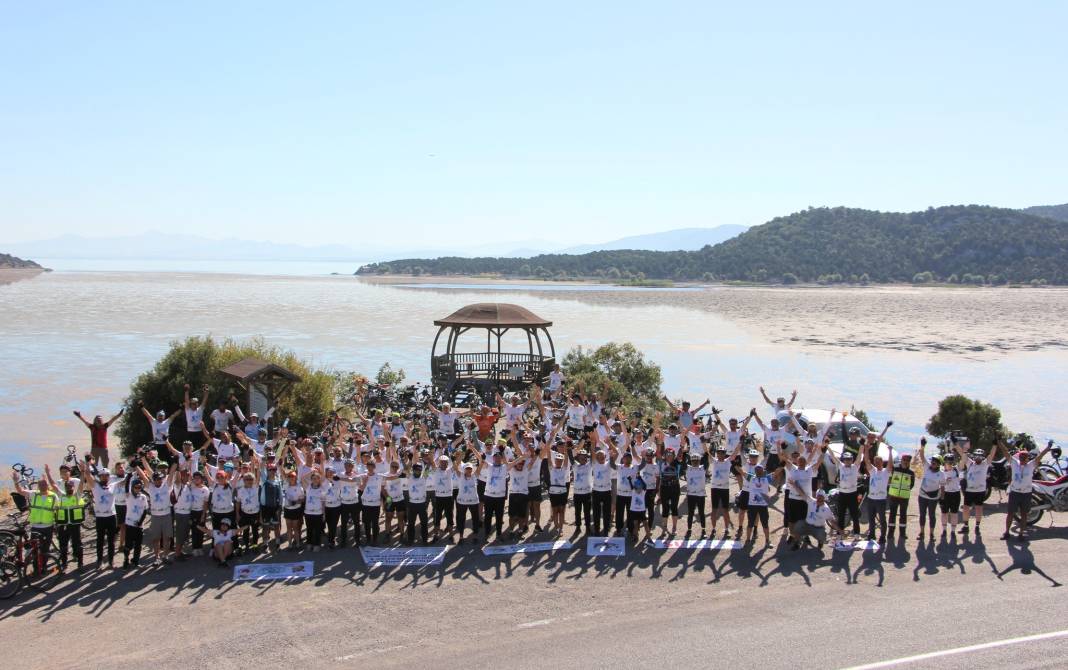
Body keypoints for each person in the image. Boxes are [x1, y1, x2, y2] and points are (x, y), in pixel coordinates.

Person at [1003, 441, 1053, 543]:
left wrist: (1048, 448)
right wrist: (999, 442)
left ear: (1027, 459)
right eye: (1020, 459)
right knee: (1010, 513)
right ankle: (1007, 532)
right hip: (1015, 492)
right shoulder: (1014, 463)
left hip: (1026, 493)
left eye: (1024, 459)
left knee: (1024, 514)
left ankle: (1021, 534)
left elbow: (1040, 456)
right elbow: (1006, 453)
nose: (1022, 461)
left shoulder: (1031, 465)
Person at [955, 438, 1000, 536]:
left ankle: (977, 526)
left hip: (980, 490)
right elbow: (961, 453)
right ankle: (966, 526)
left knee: (979, 508)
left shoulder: (985, 464)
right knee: (966, 508)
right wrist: (955, 443)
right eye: (976, 456)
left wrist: (995, 445)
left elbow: (991, 455)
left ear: (983, 457)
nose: (978, 458)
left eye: (980, 457)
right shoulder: (970, 463)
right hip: (969, 490)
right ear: (974, 456)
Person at [44, 464, 84, 571]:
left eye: (71, 486)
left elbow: (81, 486)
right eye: (67, 487)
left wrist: (83, 472)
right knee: (63, 545)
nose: (69, 488)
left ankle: (80, 563)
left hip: (74, 524)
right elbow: (53, 485)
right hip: (63, 524)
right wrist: (48, 473)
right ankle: (64, 564)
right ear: (65, 488)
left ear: (73, 487)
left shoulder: (77, 495)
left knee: (77, 544)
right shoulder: (61, 495)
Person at [86, 459, 121, 568]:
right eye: (102, 476)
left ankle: (111, 561)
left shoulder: (113, 485)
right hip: (100, 517)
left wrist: (133, 471)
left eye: (107, 476)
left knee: (111, 541)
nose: (105, 477)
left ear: (109, 477)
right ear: (100, 477)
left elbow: (125, 480)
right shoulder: (95, 486)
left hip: (111, 516)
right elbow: (87, 475)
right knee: (100, 540)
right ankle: (99, 561)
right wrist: (87, 463)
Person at [141, 459, 177, 565]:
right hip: (156, 515)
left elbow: (171, 474)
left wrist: (176, 461)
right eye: (156, 479)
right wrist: (142, 460)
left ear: (162, 479)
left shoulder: (167, 486)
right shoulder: (150, 487)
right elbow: (144, 475)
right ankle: (157, 557)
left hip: (166, 514)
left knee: (167, 537)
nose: (158, 481)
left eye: (160, 479)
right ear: (153, 480)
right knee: (156, 538)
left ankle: (165, 556)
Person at [788, 486, 839, 551]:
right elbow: (802, 493)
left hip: (818, 528)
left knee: (822, 536)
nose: (819, 499)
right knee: (798, 526)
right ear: (816, 497)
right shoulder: (811, 501)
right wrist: (794, 484)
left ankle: (820, 542)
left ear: (824, 498)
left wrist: (840, 531)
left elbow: (832, 521)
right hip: (807, 525)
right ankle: (797, 543)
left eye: (821, 497)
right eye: (818, 497)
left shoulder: (826, 509)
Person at [825, 447, 862, 538]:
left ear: (852, 460)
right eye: (846, 459)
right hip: (842, 494)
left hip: (852, 494)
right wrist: (828, 446)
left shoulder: (855, 467)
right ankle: (840, 533)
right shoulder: (840, 466)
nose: (847, 461)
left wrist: (861, 446)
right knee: (841, 514)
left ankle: (857, 533)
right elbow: (833, 456)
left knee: (854, 514)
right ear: (843, 460)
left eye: (849, 459)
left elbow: (859, 456)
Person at [861, 441, 892, 544]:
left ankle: (883, 536)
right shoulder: (872, 470)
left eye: (879, 461)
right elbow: (866, 460)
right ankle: (872, 535)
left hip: (881, 500)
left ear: (882, 463)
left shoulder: (885, 472)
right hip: (871, 499)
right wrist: (866, 449)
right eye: (876, 461)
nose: (877, 463)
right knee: (871, 518)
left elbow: (890, 465)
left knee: (882, 519)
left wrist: (890, 451)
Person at [915, 441, 944, 543]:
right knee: (922, 514)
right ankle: (921, 532)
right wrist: (923, 446)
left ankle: (931, 534)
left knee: (932, 515)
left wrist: (942, 498)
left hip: (933, 497)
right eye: (932, 461)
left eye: (935, 462)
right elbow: (922, 456)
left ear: (939, 464)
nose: (932, 463)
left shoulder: (941, 474)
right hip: (922, 495)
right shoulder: (927, 467)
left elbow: (942, 486)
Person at [710, 443, 739, 538]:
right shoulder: (714, 461)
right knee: (714, 510)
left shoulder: (728, 461)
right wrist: (703, 442)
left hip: (725, 489)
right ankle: (713, 529)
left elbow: (735, 453)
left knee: (725, 511)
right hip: (715, 488)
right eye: (719, 452)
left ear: (725, 454)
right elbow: (707, 452)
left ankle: (726, 529)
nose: (720, 454)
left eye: (722, 453)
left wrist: (740, 442)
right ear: (717, 454)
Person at [235, 462, 262, 554]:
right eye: (247, 479)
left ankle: (255, 545)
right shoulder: (240, 490)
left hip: (255, 513)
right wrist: (237, 514)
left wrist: (257, 468)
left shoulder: (256, 487)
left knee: (255, 531)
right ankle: (246, 546)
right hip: (244, 513)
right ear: (244, 480)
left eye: (251, 479)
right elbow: (238, 502)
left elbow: (258, 477)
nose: (249, 480)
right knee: (245, 531)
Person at [887, 451, 916, 540]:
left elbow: (911, 485)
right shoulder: (895, 469)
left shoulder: (911, 473)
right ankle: (890, 533)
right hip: (893, 496)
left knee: (903, 515)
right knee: (892, 515)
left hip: (904, 497)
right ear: (901, 460)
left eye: (908, 460)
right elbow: (889, 480)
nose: (906, 461)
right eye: (904, 460)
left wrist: (904, 491)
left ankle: (902, 533)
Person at [122, 476, 149, 569]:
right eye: (136, 487)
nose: (138, 489)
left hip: (139, 525)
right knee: (128, 544)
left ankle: (136, 561)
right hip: (129, 524)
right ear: (132, 487)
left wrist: (141, 521)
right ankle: (126, 560)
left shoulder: (143, 497)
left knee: (138, 545)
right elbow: (126, 487)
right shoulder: (128, 496)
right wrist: (129, 477)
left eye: (139, 487)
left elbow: (145, 510)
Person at [744, 463, 772, 545]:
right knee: (750, 524)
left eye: (760, 470)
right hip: (754, 505)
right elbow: (742, 472)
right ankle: (748, 540)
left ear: (763, 471)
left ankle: (767, 541)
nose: (759, 471)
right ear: (755, 471)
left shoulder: (766, 478)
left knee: (765, 524)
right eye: (757, 470)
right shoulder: (751, 478)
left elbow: (777, 472)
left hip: (761, 505)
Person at [405, 453, 431, 545]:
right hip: (412, 504)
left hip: (422, 504)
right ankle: (410, 540)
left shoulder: (424, 477)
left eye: (419, 470)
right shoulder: (410, 477)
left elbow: (428, 467)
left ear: (421, 470)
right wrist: (408, 459)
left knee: (424, 523)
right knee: (411, 524)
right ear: (413, 470)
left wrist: (430, 457)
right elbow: (406, 469)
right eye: (416, 470)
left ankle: (425, 540)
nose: (417, 471)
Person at [939, 453, 963, 539]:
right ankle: (944, 530)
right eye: (947, 462)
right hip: (944, 493)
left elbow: (964, 459)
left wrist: (963, 451)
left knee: (954, 513)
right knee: (944, 513)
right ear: (944, 462)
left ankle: (953, 531)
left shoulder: (957, 469)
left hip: (955, 494)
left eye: (951, 462)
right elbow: (937, 483)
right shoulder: (941, 471)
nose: (949, 463)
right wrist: (945, 481)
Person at [684, 452, 706, 537]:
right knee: (690, 513)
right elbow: (681, 461)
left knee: (701, 513)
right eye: (693, 461)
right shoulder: (688, 468)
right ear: (691, 461)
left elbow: (707, 456)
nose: (695, 462)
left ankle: (703, 530)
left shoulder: (703, 468)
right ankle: (689, 529)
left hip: (701, 495)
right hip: (691, 495)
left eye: (697, 461)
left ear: (700, 461)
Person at [183, 384, 209, 450]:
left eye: (196, 403)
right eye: (193, 403)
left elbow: (205, 400)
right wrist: (186, 391)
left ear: (197, 403)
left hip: (199, 432)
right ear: (190, 404)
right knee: (190, 449)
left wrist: (206, 392)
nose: (194, 405)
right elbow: (186, 400)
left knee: (200, 449)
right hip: (190, 432)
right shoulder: (188, 410)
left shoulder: (200, 409)